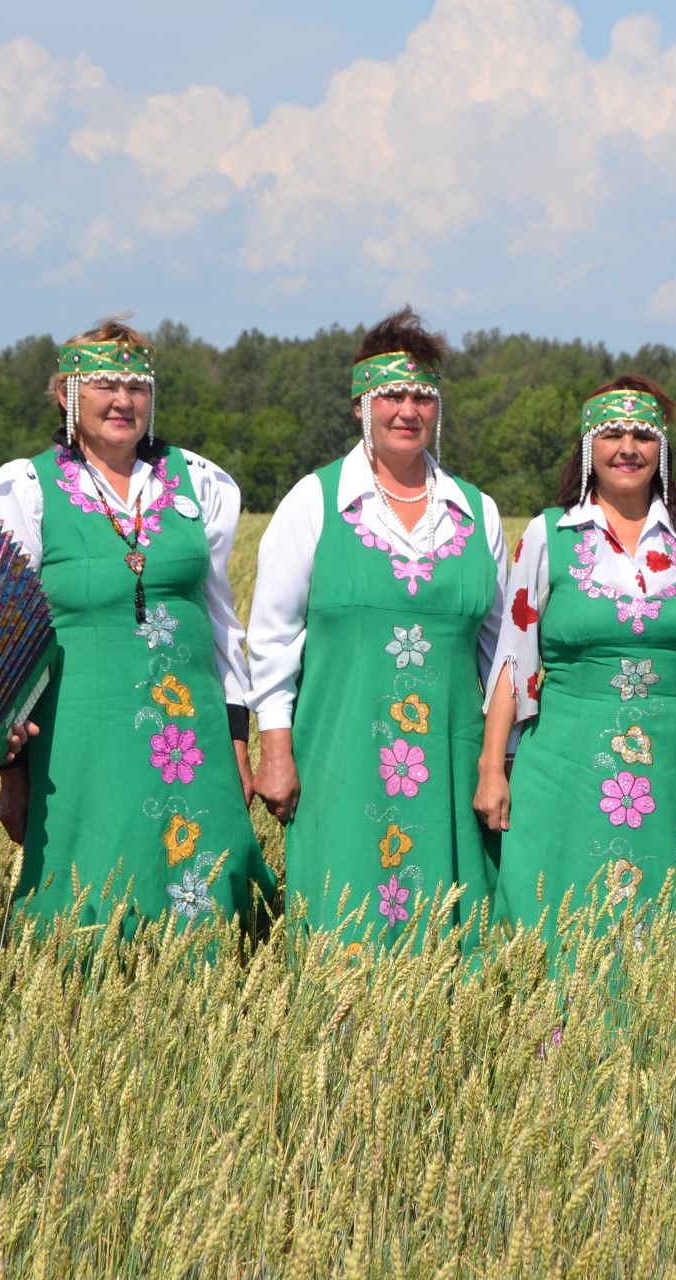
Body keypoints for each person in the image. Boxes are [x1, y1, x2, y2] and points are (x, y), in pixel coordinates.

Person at [0, 320, 271, 937]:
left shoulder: (204, 482)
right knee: (87, 895)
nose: (123, 400)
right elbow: (3, 640)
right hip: (79, 739)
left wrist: (239, 743)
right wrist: (12, 771)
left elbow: (224, 623)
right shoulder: (24, 488)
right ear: (67, 396)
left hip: (194, 734)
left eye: (137, 385)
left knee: (207, 884)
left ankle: (210, 1013)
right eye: (103, 384)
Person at [247, 307, 506, 945]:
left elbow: (503, 656)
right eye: (391, 394)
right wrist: (275, 752)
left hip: (451, 762)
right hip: (340, 758)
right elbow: (272, 638)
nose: (407, 410)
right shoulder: (315, 501)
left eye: (422, 395)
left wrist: (499, 764)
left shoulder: (478, 513)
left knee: (453, 936)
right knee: (344, 922)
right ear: (362, 401)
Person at [476, 377, 676, 939]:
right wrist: (493, 767)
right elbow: (513, 662)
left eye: (643, 435)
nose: (628, 447)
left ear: (663, 449)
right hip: (566, 767)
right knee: (561, 919)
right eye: (612, 434)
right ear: (590, 446)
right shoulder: (547, 534)